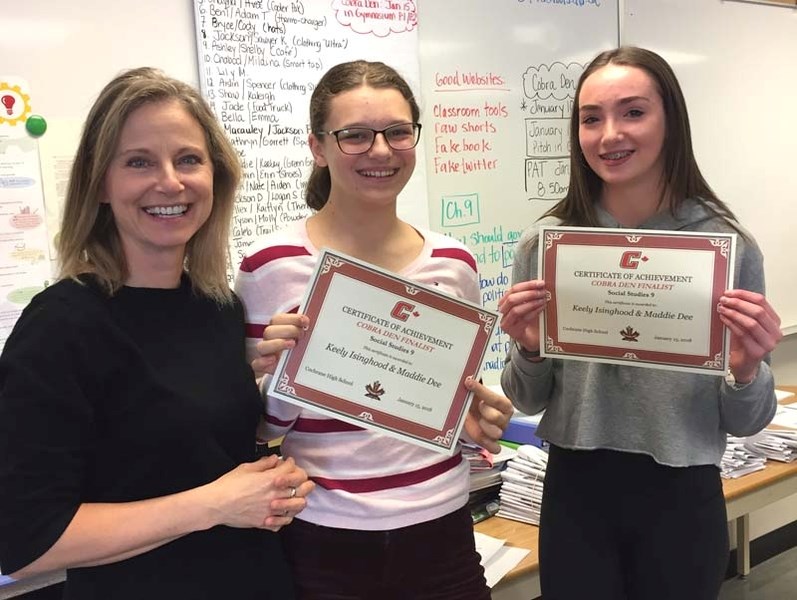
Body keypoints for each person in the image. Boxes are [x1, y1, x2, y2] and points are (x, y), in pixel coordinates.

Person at [0, 67, 314, 599]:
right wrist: (215, 503)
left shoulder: (218, 307)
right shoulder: (60, 326)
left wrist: (271, 458)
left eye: (188, 159)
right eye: (139, 162)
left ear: (216, 175)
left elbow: (188, 451)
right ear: (101, 183)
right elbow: (25, 538)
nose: (170, 182)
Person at [499, 46, 783, 600]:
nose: (610, 135)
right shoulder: (547, 245)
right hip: (576, 491)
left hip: (682, 493)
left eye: (633, 112)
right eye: (591, 118)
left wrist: (746, 373)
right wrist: (529, 352)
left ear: (670, 121)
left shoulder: (725, 248)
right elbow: (527, 401)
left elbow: (749, 421)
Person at [235, 60, 513, 600]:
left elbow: (437, 403)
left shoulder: (454, 263)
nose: (381, 151)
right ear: (318, 147)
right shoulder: (268, 266)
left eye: (397, 132)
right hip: (322, 538)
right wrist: (284, 379)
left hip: (443, 531)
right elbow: (256, 432)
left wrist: (472, 421)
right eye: (355, 136)